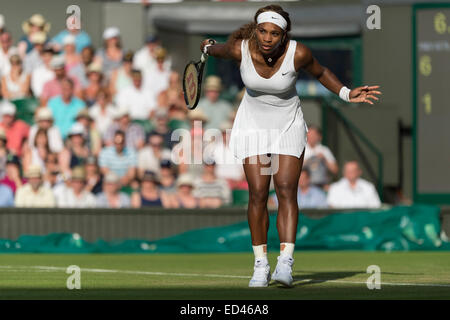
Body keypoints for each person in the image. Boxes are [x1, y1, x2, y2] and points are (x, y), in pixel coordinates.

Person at [200, 4, 381, 287]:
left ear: (284, 35)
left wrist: (346, 93)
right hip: (253, 126)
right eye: (262, 31)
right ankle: (260, 265)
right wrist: (208, 47)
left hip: (288, 124)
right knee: (258, 192)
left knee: (285, 189)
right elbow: (220, 49)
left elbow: (321, 73)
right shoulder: (241, 49)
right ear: (256, 30)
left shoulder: (299, 53)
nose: (267, 38)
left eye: (274, 33)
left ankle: (285, 262)